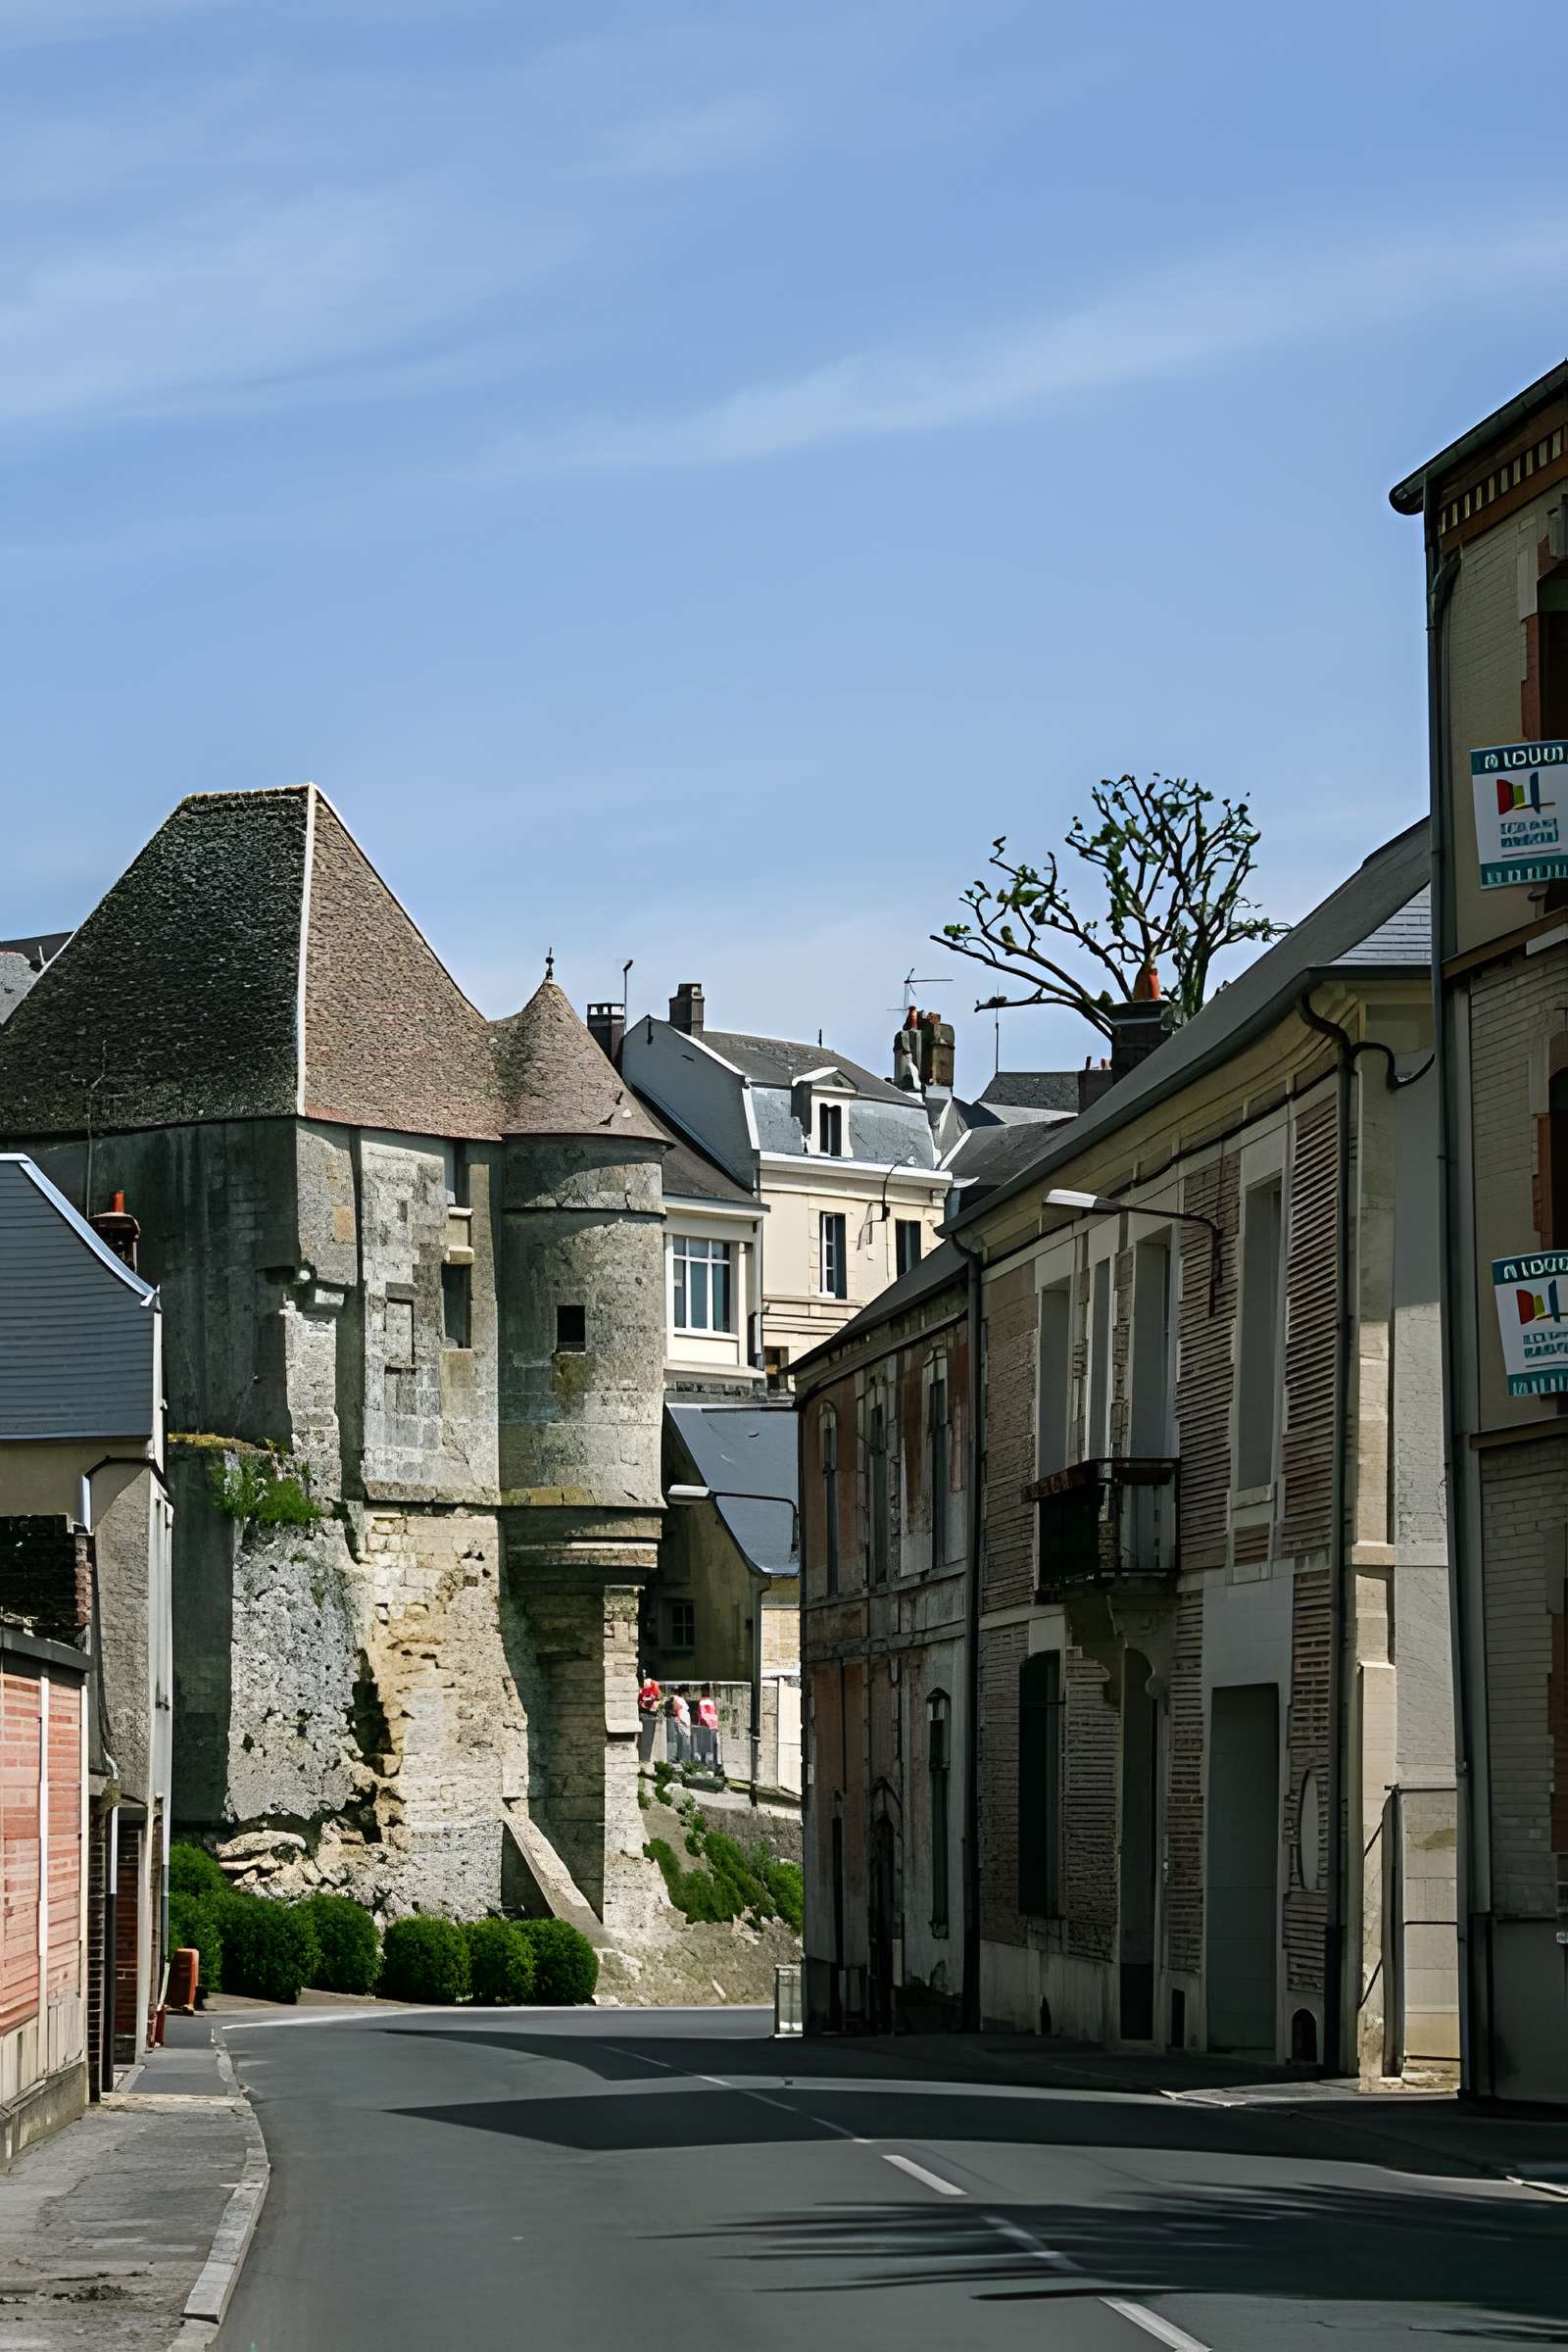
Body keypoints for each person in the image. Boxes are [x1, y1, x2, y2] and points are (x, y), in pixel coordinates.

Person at [695, 1687, 719, 1770]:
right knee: (710, 1745)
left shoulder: (701, 1702)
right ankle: (710, 1764)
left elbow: (700, 1714)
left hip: (703, 1725)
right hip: (712, 1726)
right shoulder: (712, 1702)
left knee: (702, 1745)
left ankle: (702, 1763)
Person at [669, 1688, 691, 1764]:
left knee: (681, 1738)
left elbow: (677, 1708)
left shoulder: (675, 1698)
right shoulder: (679, 1700)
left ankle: (681, 1758)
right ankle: (683, 1758)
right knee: (684, 1738)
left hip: (682, 1719)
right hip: (684, 1719)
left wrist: (678, 1718)